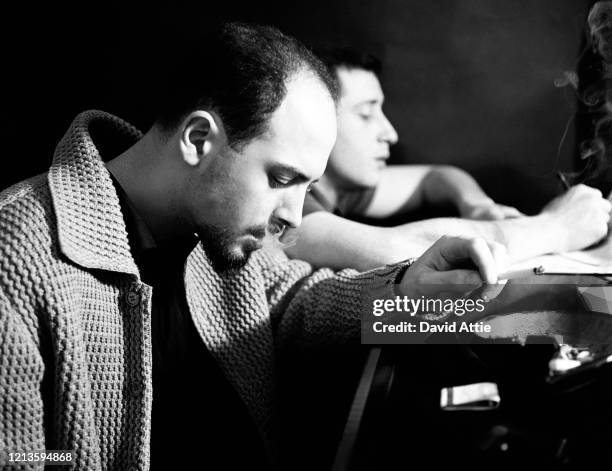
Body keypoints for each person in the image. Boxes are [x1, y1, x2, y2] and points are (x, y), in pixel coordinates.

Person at [0, 24, 506, 470]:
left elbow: (291, 306)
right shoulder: (16, 255)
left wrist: (410, 293)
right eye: (282, 178)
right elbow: (19, 456)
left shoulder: (214, 230)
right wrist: (68, 456)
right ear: (198, 139)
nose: (292, 214)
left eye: (307, 187)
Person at [285, 47, 612, 271]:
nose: (390, 133)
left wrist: (477, 204)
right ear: (320, 120)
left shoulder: (337, 187)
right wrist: (555, 227)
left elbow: (437, 177)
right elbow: (398, 251)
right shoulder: (289, 210)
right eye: (366, 114)